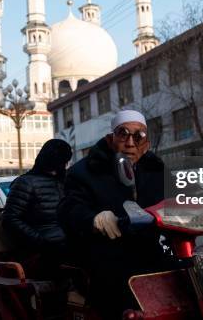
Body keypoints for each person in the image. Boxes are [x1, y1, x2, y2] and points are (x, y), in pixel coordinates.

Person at [58, 110, 167, 319]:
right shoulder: (84, 172)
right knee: (120, 282)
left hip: (149, 250)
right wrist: (93, 219)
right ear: (110, 138)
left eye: (139, 136)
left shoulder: (157, 170)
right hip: (102, 253)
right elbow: (68, 208)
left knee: (189, 274)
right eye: (122, 134)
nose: (130, 143)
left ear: (147, 143)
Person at [2, 138, 73, 278]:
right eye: (62, 161)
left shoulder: (65, 182)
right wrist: (40, 240)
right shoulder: (25, 183)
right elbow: (10, 219)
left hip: (65, 242)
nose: (64, 165)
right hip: (39, 252)